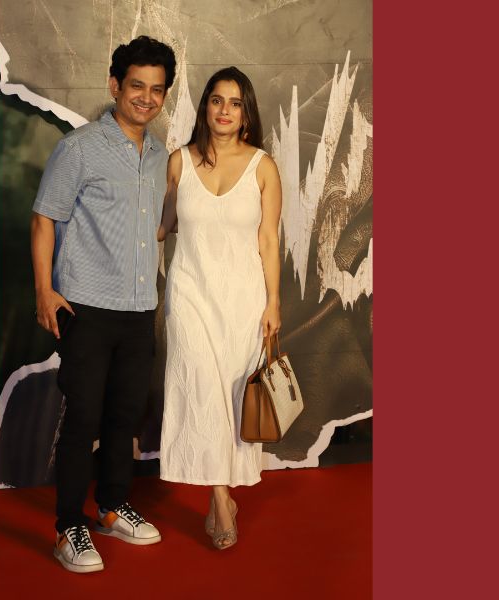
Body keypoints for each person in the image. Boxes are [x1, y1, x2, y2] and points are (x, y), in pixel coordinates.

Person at [31, 36, 176, 574]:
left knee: (125, 415)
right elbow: (44, 217)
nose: (146, 97)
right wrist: (44, 290)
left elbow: (155, 225)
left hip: (139, 308)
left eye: (156, 89)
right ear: (115, 85)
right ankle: (68, 525)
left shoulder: (160, 155)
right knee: (83, 418)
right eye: (136, 85)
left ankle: (112, 507)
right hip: (86, 308)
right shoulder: (80, 148)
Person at [157, 67, 282, 550]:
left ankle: (220, 493)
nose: (224, 110)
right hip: (189, 293)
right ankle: (220, 496)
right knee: (202, 389)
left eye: (234, 102)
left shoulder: (263, 167)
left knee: (231, 396)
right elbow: (162, 225)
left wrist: (273, 301)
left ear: (245, 112)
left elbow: (268, 241)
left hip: (243, 299)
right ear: (205, 107)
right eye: (216, 100)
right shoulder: (178, 162)